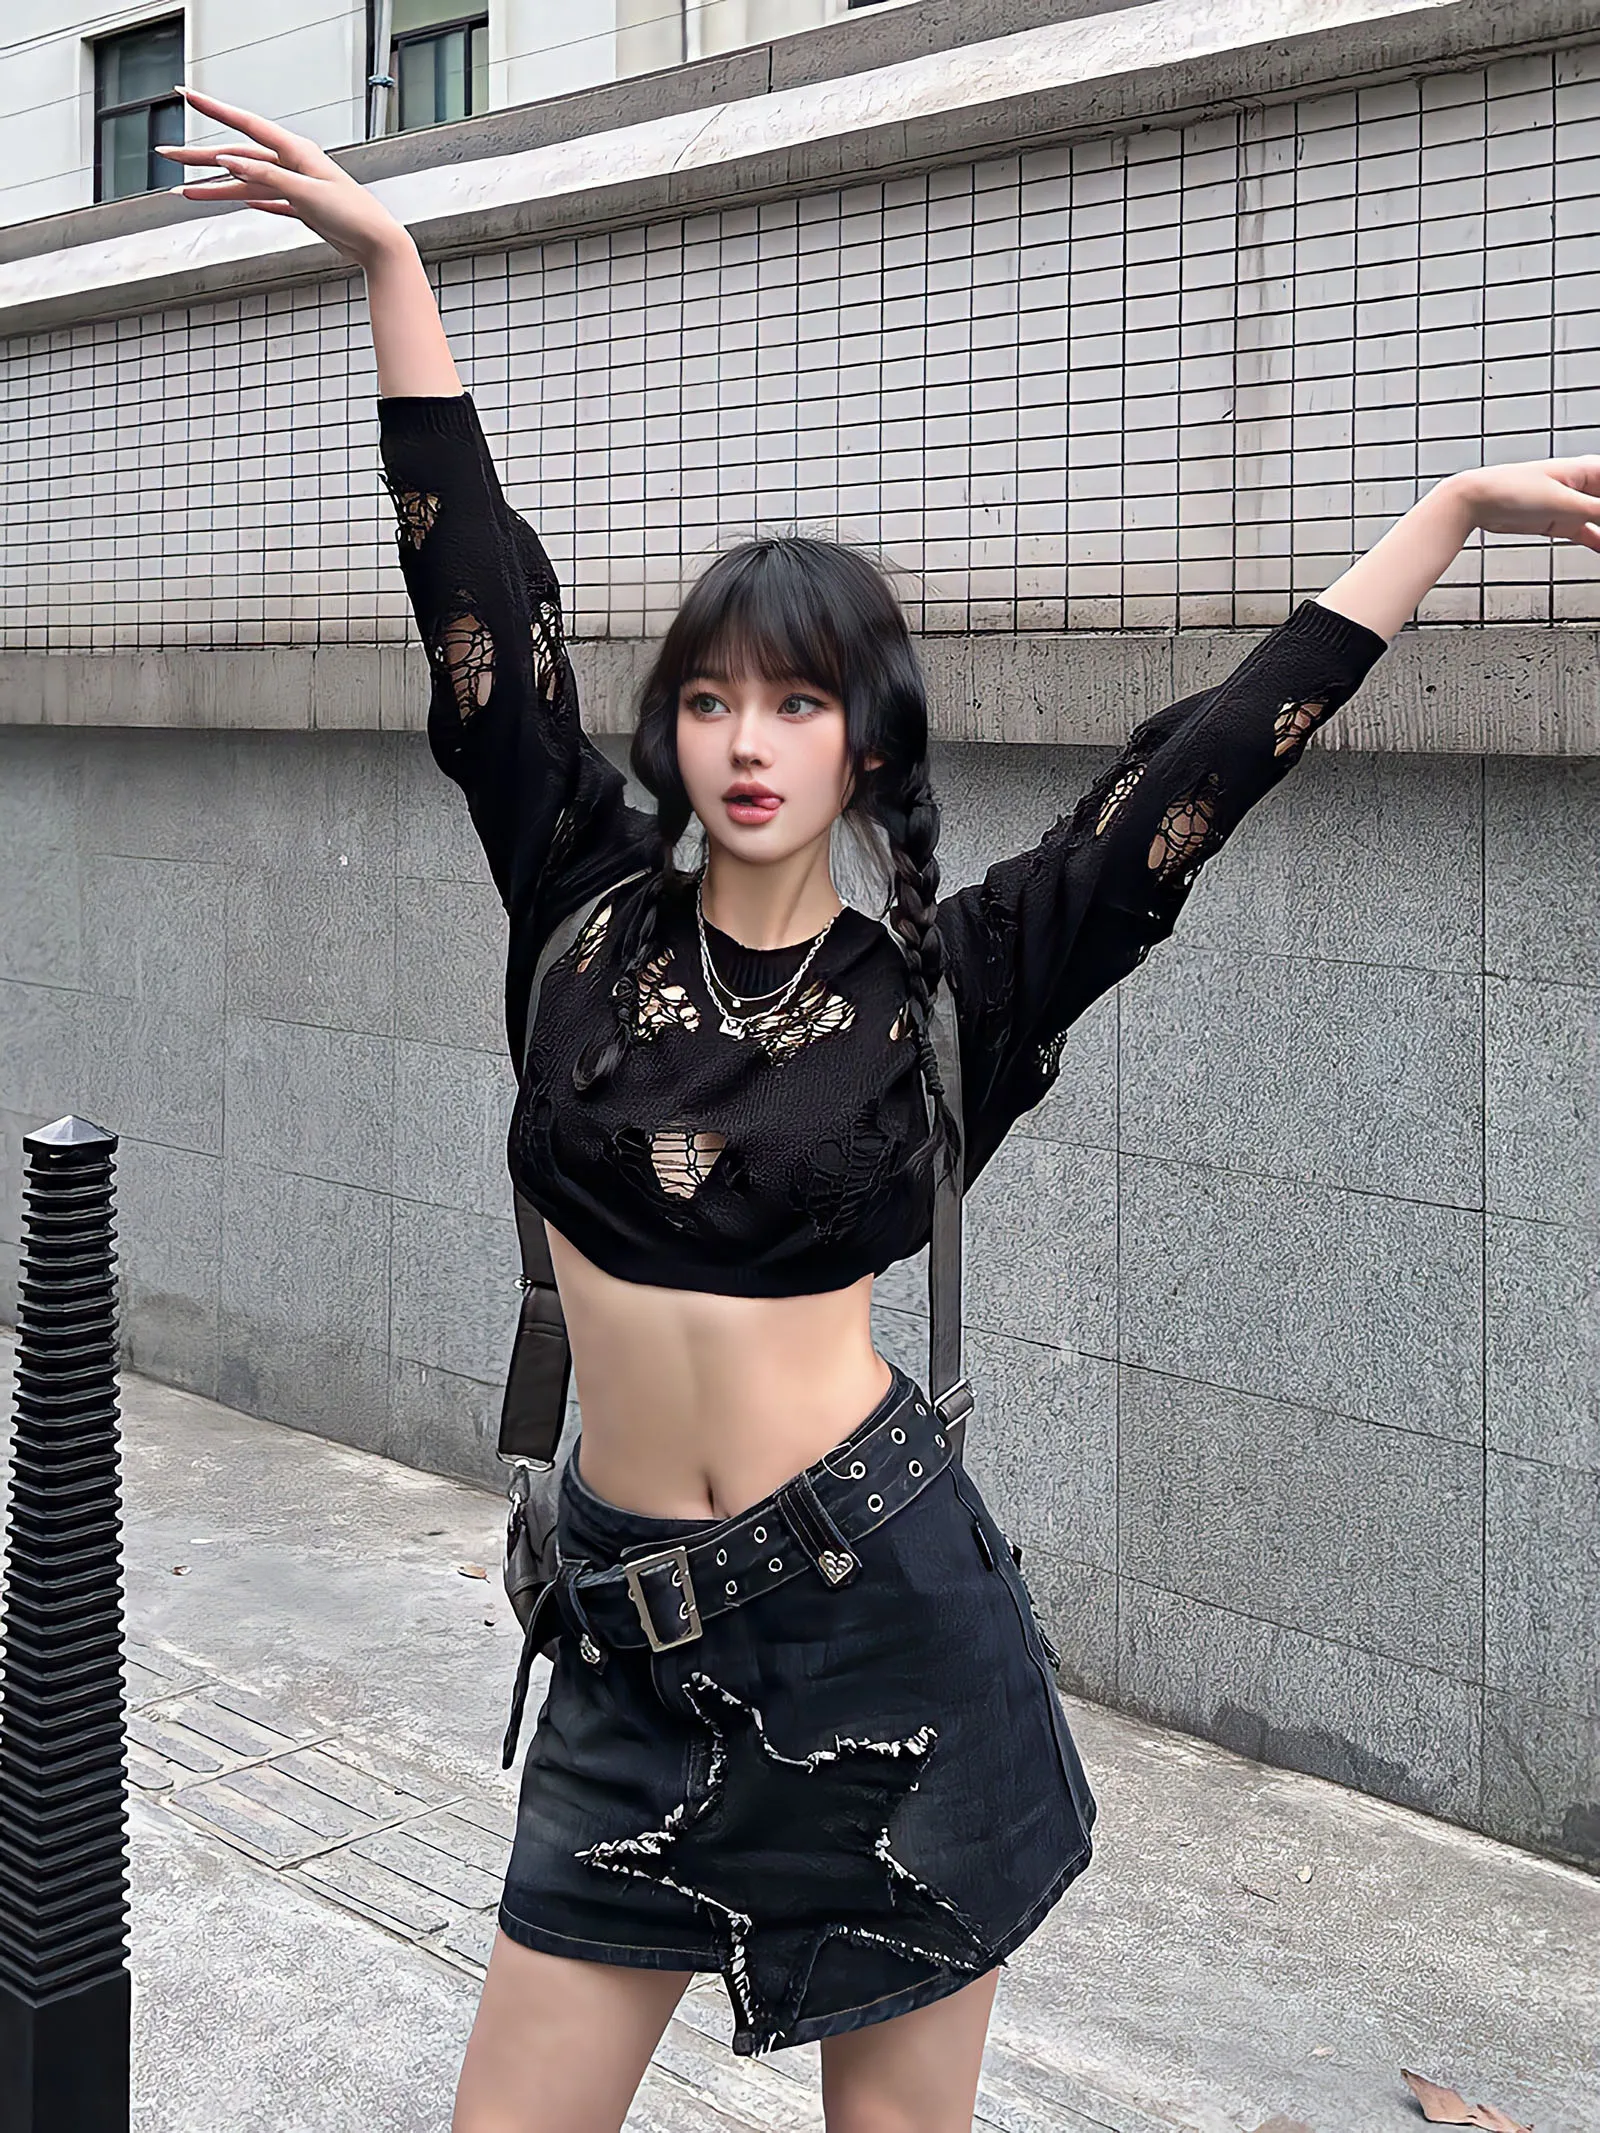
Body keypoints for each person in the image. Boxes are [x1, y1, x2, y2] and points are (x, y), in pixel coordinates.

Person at [167, 87, 1600, 2133]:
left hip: (886, 1637)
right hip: (622, 1648)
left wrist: (1439, 516)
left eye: (799, 701)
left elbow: (1193, 780)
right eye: (710, 699)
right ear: (671, 727)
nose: (746, 742)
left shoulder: (944, 989)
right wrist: (395, 267)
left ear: (866, 743)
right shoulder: (579, 904)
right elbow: (476, 612)